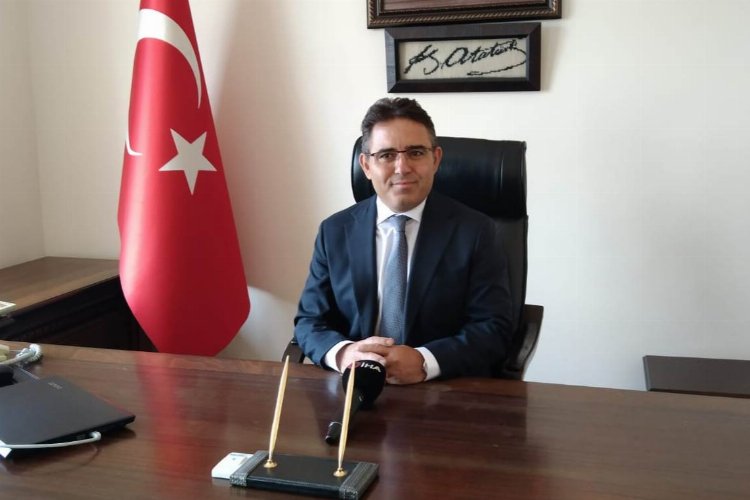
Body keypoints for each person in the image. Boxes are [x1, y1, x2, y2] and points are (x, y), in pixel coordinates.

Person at [294, 97, 512, 384]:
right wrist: (344, 354)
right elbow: (310, 321)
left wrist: (424, 361)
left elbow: (494, 328)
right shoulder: (335, 231)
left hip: (443, 387)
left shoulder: (476, 232)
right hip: (354, 386)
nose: (402, 167)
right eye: (386, 155)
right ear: (366, 165)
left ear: (436, 159)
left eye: (415, 153)